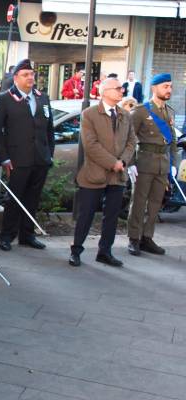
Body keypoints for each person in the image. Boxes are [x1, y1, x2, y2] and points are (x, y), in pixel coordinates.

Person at [69, 77, 136, 267]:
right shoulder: (89, 114)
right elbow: (91, 145)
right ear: (105, 92)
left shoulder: (125, 115)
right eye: (118, 88)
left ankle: (105, 252)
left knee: (111, 216)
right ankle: (76, 251)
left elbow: (132, 141)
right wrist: (113, 162)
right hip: (94, 174)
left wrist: (123, 161)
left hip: (117, 176)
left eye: (122, 88)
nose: (122, 91)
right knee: (86, 215)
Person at [0, 59, 54, 252]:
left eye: (32, 74)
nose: (30, 78)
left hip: (40, 158)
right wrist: (4, 158)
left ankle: (27, 235)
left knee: (32, 199)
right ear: (16, 78)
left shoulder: (42, 97)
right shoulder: (5, 99)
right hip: (17, 159)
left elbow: (49, 130)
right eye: (25, 75)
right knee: (14, 199)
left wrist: (49, 154)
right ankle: (7, 235)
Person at [127, 73, 178, 256]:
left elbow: (172, 140)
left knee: (156, 203)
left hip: (162, 164)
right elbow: (129, 137)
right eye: (165, 86)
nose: (169, 90)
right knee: (139, 202)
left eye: (170, 86)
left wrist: (173, 162)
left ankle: (147, 237)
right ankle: (134, 238)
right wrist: (130, 163)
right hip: (144, 162)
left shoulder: (169, 111)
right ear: (154, 88)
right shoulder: (141, 111)